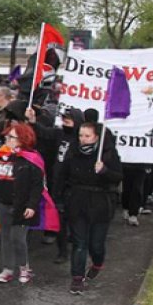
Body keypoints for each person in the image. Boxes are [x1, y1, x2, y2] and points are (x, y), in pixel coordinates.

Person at [58, 122, 123, 295]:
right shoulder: (73, 152)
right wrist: (61, 199)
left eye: (87, 136)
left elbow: (118, 177)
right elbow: (62, 175)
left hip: (100, 203)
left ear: (97, 137)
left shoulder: (108, 154)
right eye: (80, 135)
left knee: (96, 244)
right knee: (80, 242)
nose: (83, 139)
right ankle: (77, 278)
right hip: (77, 202)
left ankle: (97, 263)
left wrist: (104, 171)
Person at [0, 122, 45, 284]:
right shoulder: (1, 155)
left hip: (21, 206)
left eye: (11, 137)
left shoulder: (32, 159)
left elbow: (38, 186)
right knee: (5, 237)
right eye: (7, 136)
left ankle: (24, 267)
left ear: (23, 139)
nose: (7, 140)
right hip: (1, 203)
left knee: (18, 238)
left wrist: (31, 205)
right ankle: (8, 268)